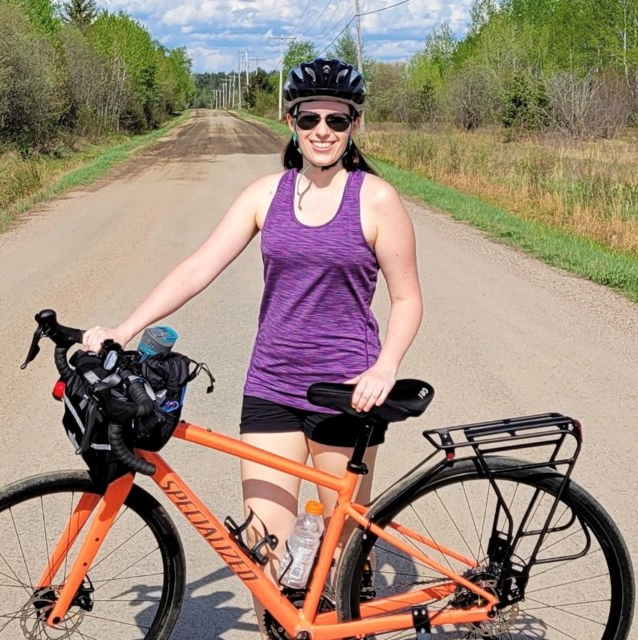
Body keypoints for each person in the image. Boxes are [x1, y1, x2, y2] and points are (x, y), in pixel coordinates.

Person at [82, 58, 423, 637]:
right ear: (290, 120)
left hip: (348, 394)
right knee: (266, 564)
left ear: (353, 126)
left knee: (340, 567)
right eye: (310, 117)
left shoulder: (377, 200)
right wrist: (127, 325)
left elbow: (408, 298)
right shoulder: (267, 194)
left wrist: (386, 366)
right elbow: (199, 267)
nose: (322, 130)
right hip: (272, 386)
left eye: (336, 120)